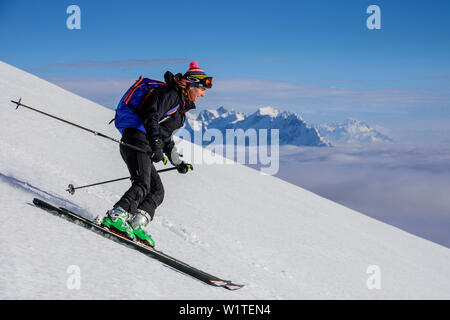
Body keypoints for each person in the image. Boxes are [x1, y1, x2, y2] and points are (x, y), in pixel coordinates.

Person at [102, 62, 212, 247]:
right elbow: (150, 116)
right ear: (191, 85)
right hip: (136, 138)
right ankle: (116, 216)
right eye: (202, 89)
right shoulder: (171, 95)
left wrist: (177, 162)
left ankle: (136, 224)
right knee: (142, 184)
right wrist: (155, 143)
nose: (203, 94)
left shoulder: (179, 106)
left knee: (157, 191)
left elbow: (165, 135)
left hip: (144, 142)